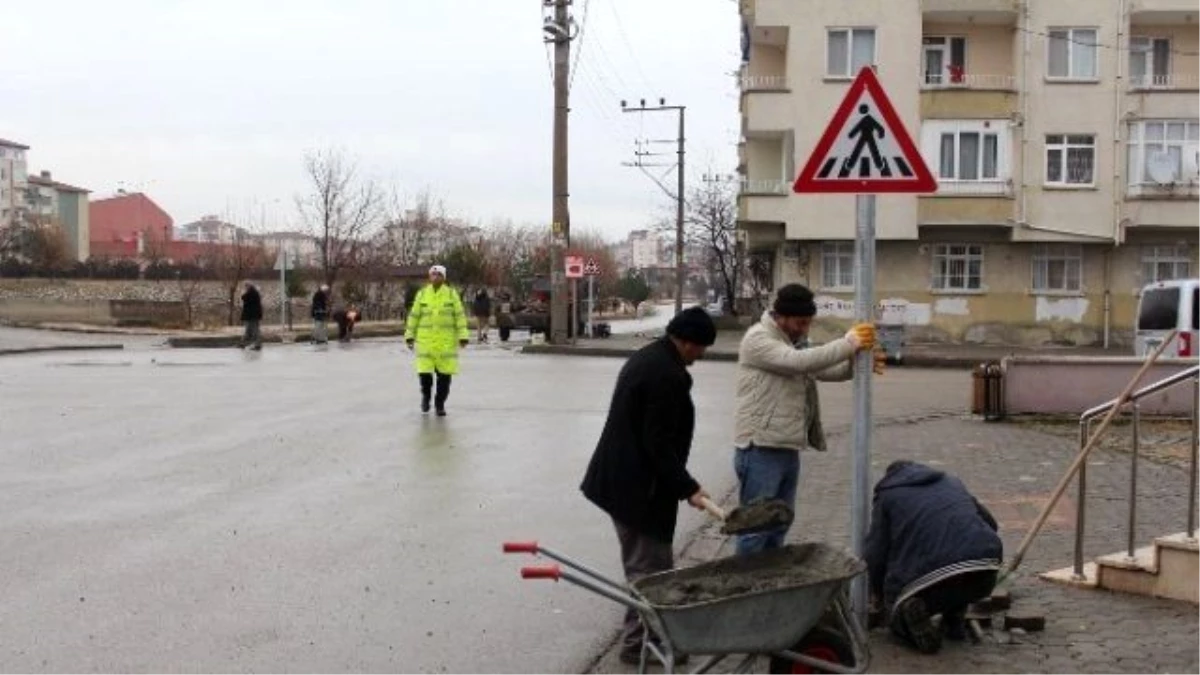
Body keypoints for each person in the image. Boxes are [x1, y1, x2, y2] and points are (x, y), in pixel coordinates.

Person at [580, 306, 718, 665]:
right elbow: (656, 443)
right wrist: (687, 487)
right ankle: (639, 643)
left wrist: (682, 485)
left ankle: (647, 636)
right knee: (650, 570)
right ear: (686, 342)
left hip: (627, 481)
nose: (701, 356)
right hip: (637, 489)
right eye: (701, 348)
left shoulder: (651, 358)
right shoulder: (664, 375)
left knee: (647, 567)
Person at [733, 283, 881, 556]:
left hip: (786, 446)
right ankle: (743, 593)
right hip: (760, 448)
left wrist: (856, 365)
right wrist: (848, 343)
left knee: (777, 527)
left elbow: (823, 369)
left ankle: (769, 586)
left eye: (808, 323)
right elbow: (798, 362)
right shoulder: (758, 339)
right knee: (754, 531)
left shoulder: (792, 341)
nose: (804, 329)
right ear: (781, 317)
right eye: (800, 323)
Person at [865, 460, 1003, 655]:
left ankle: (907, 615)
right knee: (959, 572)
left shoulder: (888, 495)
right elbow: (991, 523)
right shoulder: (952, 482)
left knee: (896, 607)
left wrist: (879, 594)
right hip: (985, 569)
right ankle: (953, 621)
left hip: (937, 574)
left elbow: (875, 554)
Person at [404, 265, 468, 416]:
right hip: (426, 343)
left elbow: (460, 316)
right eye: (433, 274)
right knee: (425, 375)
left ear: (444, 278)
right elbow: (414, 316)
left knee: (444, 378)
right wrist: (409, 336)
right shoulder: (422, 295)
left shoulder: (452, 295)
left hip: (446, 344)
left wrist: (463, 336)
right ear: (429, 277)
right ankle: (426, 397)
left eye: (439, 275)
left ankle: (440, 404)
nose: (436, 277)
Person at [240, 282, 263, 351]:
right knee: (251, 330)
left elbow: (243, 298)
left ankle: (256, 344)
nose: (245, 288)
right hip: (253, 315)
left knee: (253, 330)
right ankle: (244, 343)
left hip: (251, 315)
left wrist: (243, 292)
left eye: (246, 287)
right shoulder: (255, 293)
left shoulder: (251, 293)